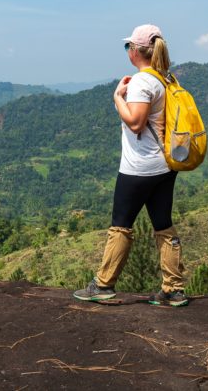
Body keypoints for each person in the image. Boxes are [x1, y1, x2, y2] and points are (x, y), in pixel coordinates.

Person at [74, 23, 187, 307]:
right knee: (163, 225)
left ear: (137, 51)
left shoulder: (141, 82)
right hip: (165, 166)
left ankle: (103, 285)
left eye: (128, 47)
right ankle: (173, 289)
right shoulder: (165, 78)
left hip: (138, 168)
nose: (127, 51)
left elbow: (136, 123)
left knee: (121, 226)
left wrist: (117, 99)